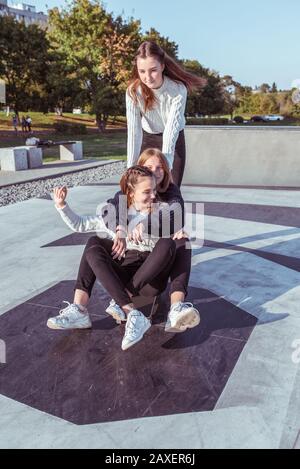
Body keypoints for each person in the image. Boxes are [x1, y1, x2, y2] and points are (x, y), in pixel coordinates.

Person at [47, 166, 194, 350]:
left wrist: (174, 231)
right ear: (131, 194)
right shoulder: (118, 217)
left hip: (151, 281)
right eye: (147, 192)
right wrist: (62, 206)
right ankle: (95, 311)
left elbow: (173, 223)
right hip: (125, 274)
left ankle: (131, 302)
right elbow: (81, 224)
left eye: (154, 190)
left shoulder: (161, 213)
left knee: (168, 244)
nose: (153, 196)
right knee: (93, 243)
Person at [104, 148, 198, 333]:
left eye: (160, 167)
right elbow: (110, 208)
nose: (155, 171)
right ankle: (81, 307)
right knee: (95, 245)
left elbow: (175, 213)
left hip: (155, 263)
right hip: (133, 260)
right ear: (140, 169)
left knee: (182, 241)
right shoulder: (130, 190)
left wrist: (147, 224)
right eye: (149, 167)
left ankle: (176, 307)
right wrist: (122, 227)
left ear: (166, 170)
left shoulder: (171, 191)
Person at [126, 41, 206, 187]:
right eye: (142, 71)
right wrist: (131, 168)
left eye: (153, 70)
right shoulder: (133, 91)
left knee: (171, 189)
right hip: (149, 139)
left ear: (162, 66)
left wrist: (166, 165)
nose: (148, 77)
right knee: (146, 188)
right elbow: (134, 131)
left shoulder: (178, 90)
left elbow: (171, 130)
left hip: (174, 140)